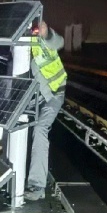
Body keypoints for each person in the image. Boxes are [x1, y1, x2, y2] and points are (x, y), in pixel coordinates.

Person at [24, 20, 67, 201]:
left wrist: (46, 32)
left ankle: (37, 185)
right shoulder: (22, 44)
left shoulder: (43, 41)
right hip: (36, 96)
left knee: (40, 129)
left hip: (54, 95)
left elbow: (58, 42)